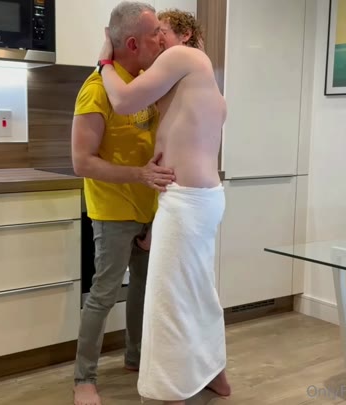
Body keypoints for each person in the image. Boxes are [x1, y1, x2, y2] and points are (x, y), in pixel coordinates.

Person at [97, 9, 231, 405]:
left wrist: (104, 59)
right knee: (199, 291)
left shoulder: (181, 56)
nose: (157, 39)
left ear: (184, 35)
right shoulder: (202, 76)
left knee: (167, 300)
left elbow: (122, 101)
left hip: (187, 200)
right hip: (204, 198)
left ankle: (169, 393)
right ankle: (215, 373)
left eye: (163, 32)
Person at [70, 2, 174, 405]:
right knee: (104, 293)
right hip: (113, 211)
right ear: (132, 44)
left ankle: (136, 358)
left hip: (149, 208)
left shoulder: (144, 82)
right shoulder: (96, 91)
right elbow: (82, 162)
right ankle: (84, 379)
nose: (161, 40)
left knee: (143, 290)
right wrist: (139, 175)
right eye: (154, 34)